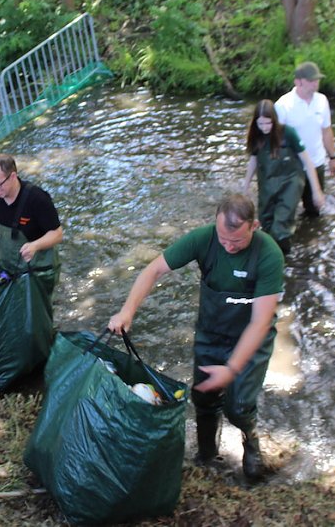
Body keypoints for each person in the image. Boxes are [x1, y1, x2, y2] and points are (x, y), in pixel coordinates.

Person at [108, 193, 284, 482]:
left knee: (238, 407)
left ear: (254, 226)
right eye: (223, 239)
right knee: (203, 397)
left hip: (252, 341)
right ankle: (206, 456)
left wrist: (231, 368)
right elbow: (153, 269)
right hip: (211, 334)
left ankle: (250, 438)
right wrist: (128, 310)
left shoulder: (269, 255)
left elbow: (260, 322)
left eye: (236, 242)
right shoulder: (203, 239)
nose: (228, 247)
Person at [241, 99, 325, 255]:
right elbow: (253, 161)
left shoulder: (289, 133)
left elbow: (307, 161)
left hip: (291, 181)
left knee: (281, 225)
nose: (264, 128)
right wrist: (245, 188)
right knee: (266, 223)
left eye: (268, 123)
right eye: (260, 124)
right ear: (255, 123)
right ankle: (271, 253)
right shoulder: (256, 137)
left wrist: (316, 191)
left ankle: (282, 257)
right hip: (267, 182)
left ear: (274, 120)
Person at [0, 154, 63, 273]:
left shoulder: (37, 198)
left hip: (38, 270)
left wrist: (35, 246)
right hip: (10, 267)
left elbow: (57, 234)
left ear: (13, 176)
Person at [275, 61, 335, 217]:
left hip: (317, 163)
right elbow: (276, 139)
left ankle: (313, 239)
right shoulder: (283, 105)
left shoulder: (322, 101)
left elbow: (326, 131)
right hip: (292, 166)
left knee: (314, 209)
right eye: (311, 80)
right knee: (287, 211)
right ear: (298, 81)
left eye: (317, 80)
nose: (315, 84)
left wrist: (333, 157)